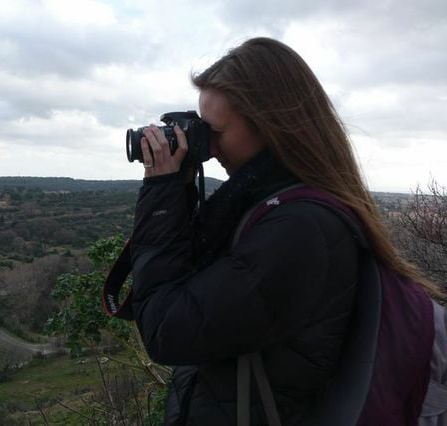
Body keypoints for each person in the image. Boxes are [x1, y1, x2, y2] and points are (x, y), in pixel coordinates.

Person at [129, 37, 440, 425]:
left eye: (214, 132)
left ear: (270, 127)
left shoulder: (301, 229)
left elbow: (166, 328)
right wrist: (178, 188)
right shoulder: (260, 204)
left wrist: (161, 194)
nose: (206, 146)